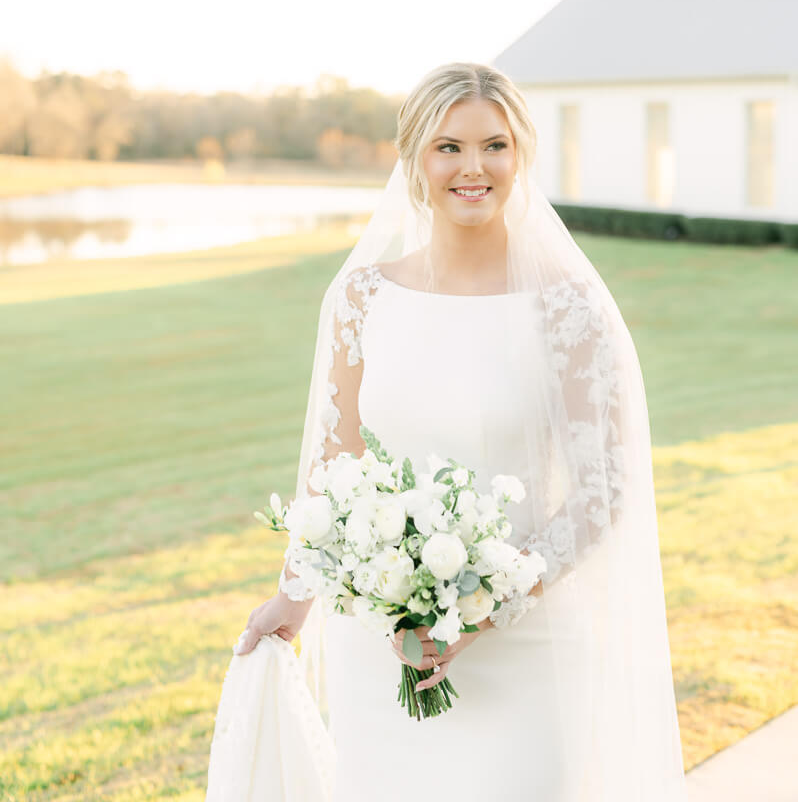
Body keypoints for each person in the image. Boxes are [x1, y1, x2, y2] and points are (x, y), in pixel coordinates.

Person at [227, 62, 688, 800]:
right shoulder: (361, 299)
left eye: (494, 146)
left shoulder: (567, 311)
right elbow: (332, 467)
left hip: (527, 649)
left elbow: (601, 490)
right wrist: (294, 595)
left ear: (521, 156)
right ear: (413, 161)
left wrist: (480, 609)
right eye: (448, 147)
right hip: (383, 650)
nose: (473, 167)